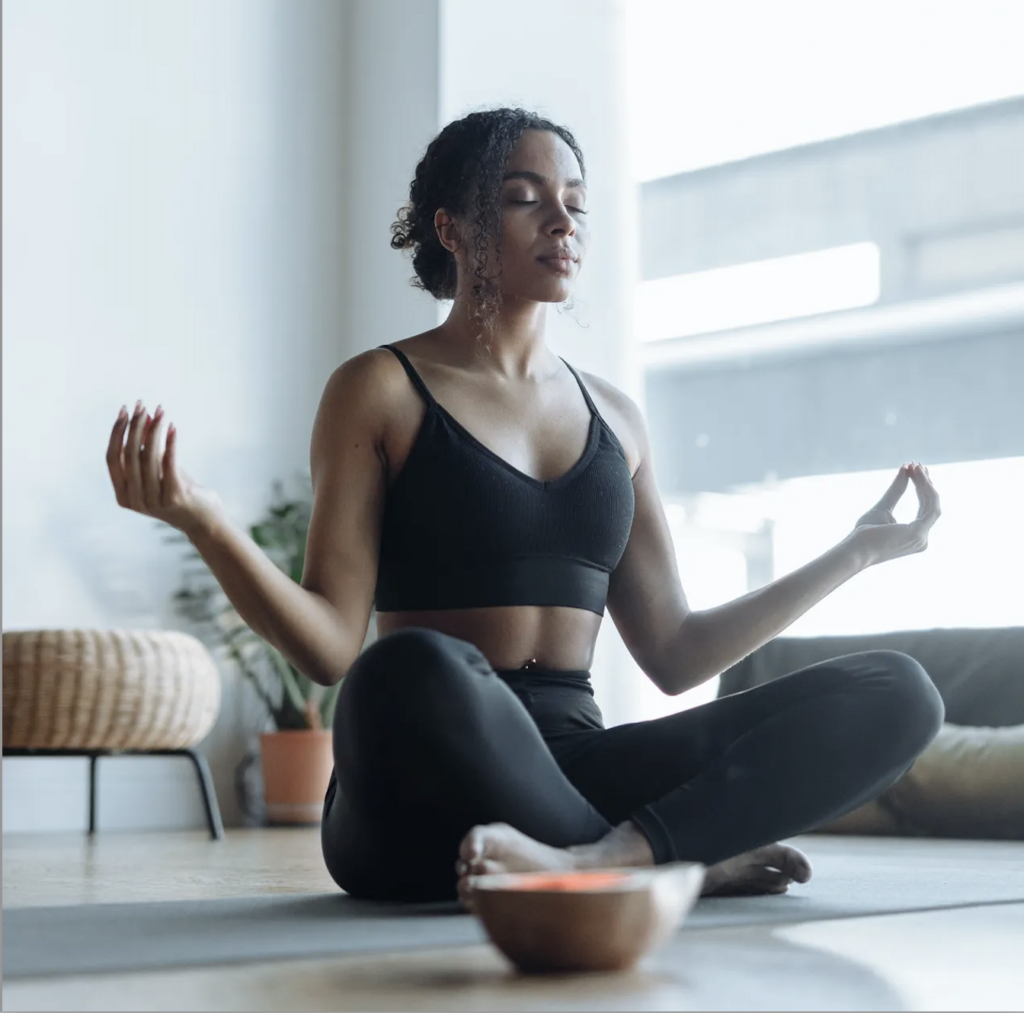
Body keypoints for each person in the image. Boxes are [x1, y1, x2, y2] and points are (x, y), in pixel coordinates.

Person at [107, 107, 944, 907]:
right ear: (454, 229)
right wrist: (205, 523)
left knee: (899, 689)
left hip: (577, 766)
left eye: (575, 204)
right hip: (419, 785)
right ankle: (662, 860)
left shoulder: (617, 416)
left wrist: (856, 551)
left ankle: (611, 859)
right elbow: (330, 646)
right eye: (524, 198)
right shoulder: (379, 389)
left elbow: (677, 653)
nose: (563, 222)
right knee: (404, 668)